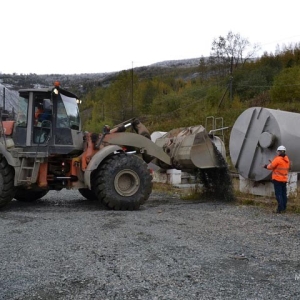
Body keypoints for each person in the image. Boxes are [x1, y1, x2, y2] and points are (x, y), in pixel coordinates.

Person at [263, 145, 290, 213]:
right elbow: (279, 167)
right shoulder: (287, 160)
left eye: (278, 151)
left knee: (279, 194)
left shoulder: (278, 159)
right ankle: (284, 208)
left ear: (280, 152)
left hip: (277, 179)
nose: (277, 153)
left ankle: (280, 209)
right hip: (284, 180)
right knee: (284, 194)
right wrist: (273, 163)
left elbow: (270, 167)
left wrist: (266, 166)